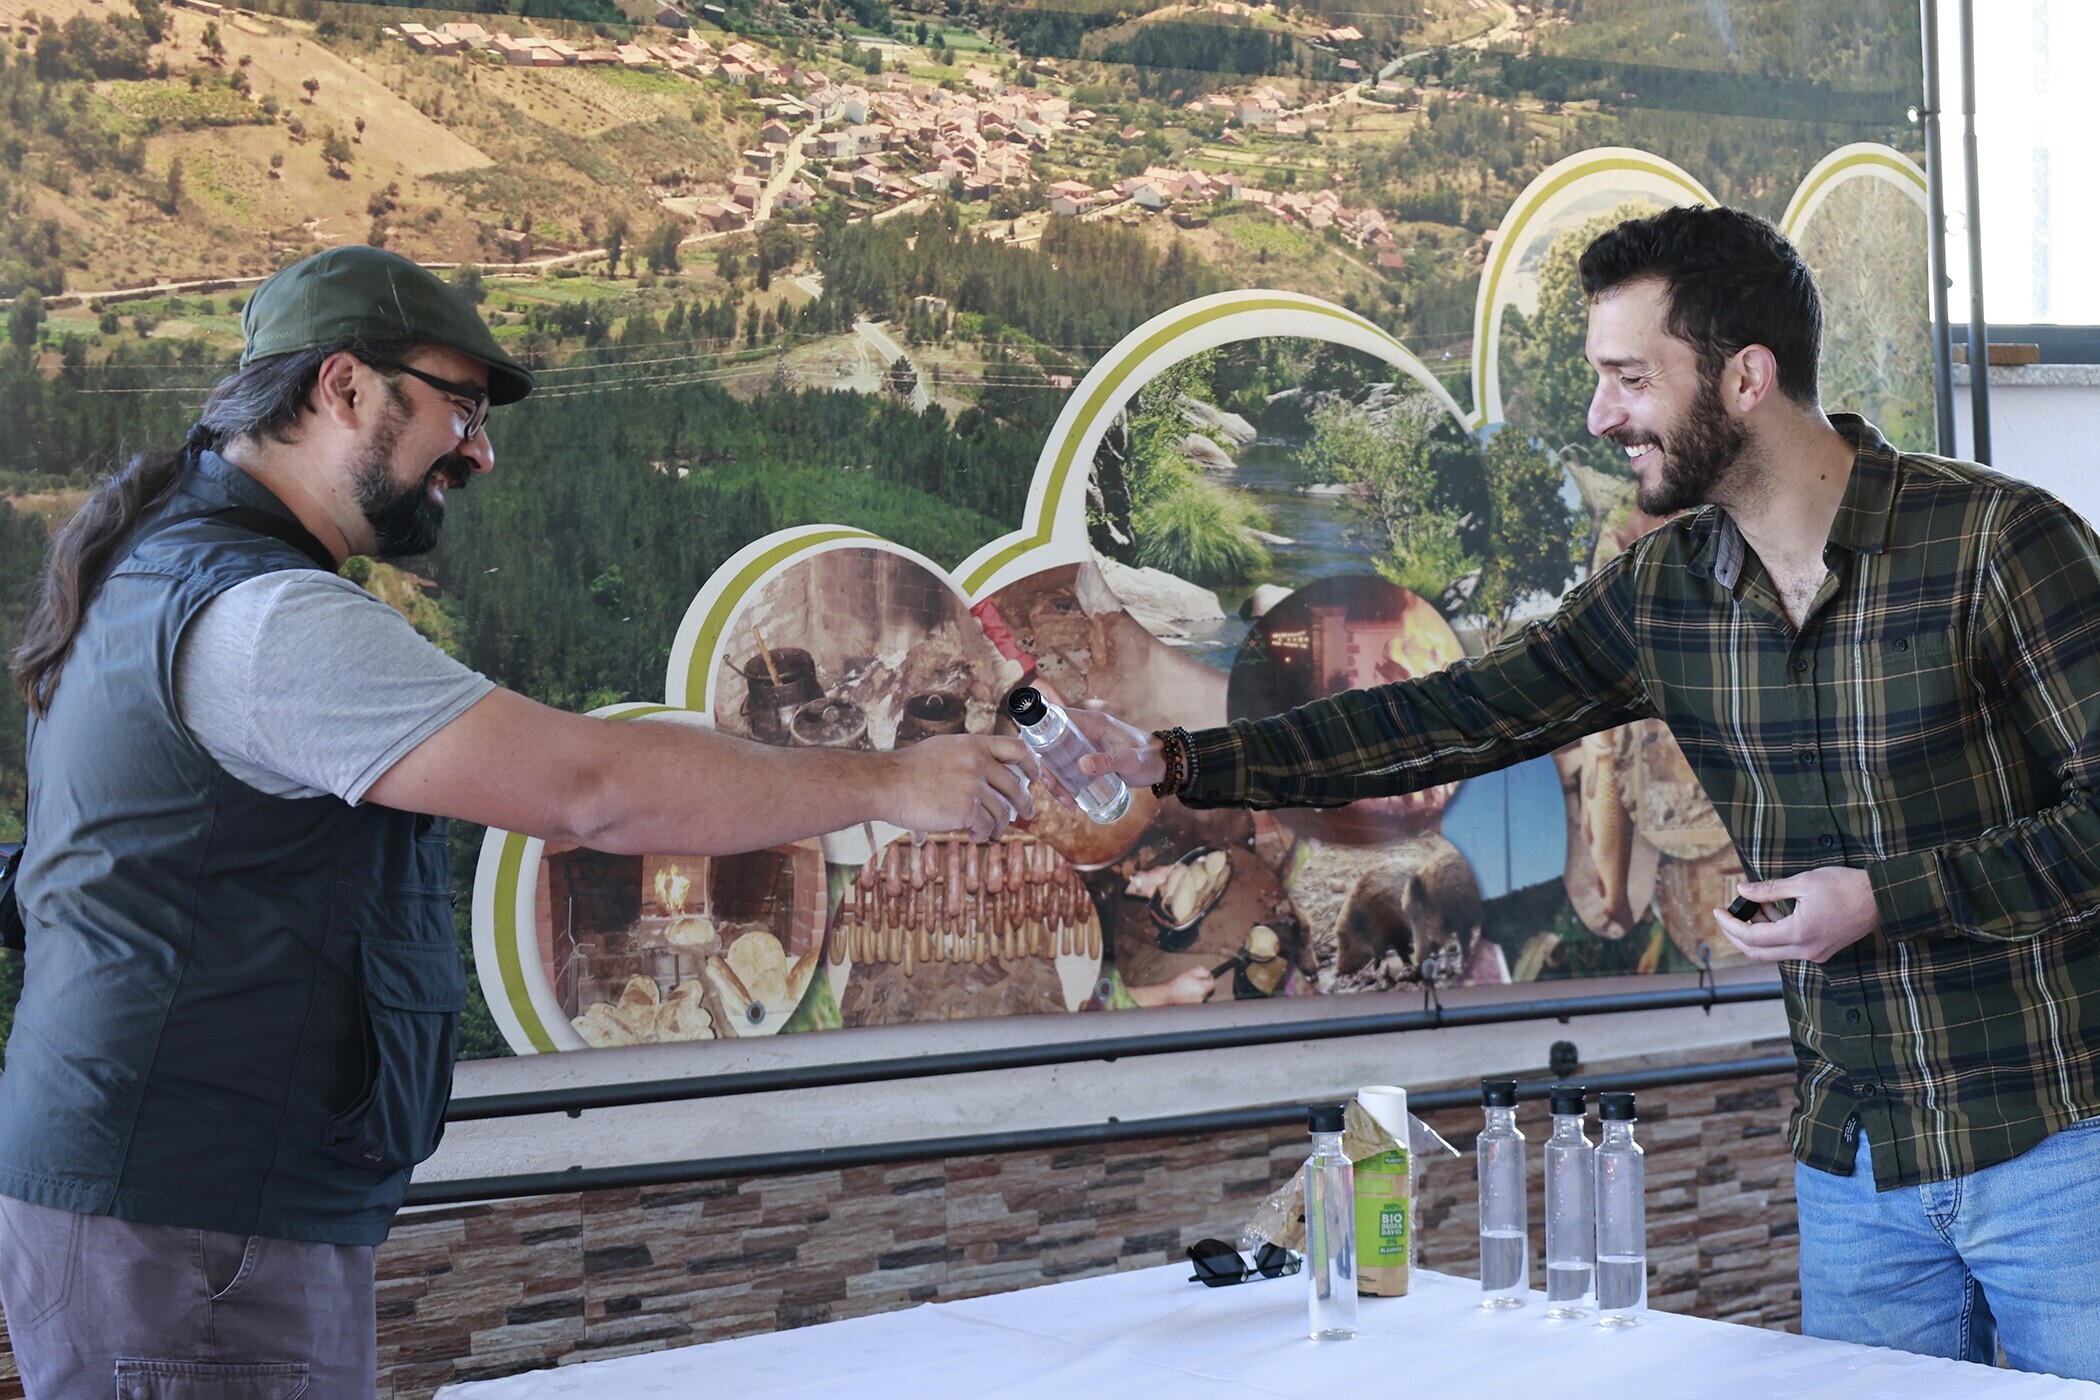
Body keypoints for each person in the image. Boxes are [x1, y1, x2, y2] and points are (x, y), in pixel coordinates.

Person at [1075, 205, 2100, 1380]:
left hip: (2063, 1143)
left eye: (1630, 377)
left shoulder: (1998, 543)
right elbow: (1441, 716)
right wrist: (1178, 761)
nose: (1604, 415)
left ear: (1747, 377)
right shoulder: (1664, 590)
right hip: (1856, 1162)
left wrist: (1883, 896)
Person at [0, 246, 1035, 1395]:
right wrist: (895, 784)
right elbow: (592, 789)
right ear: (344, 387)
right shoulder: (267, 621)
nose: (479, 452)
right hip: (197, 1237)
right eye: (463, 408)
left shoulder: (167, 573)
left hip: (162, 1211)